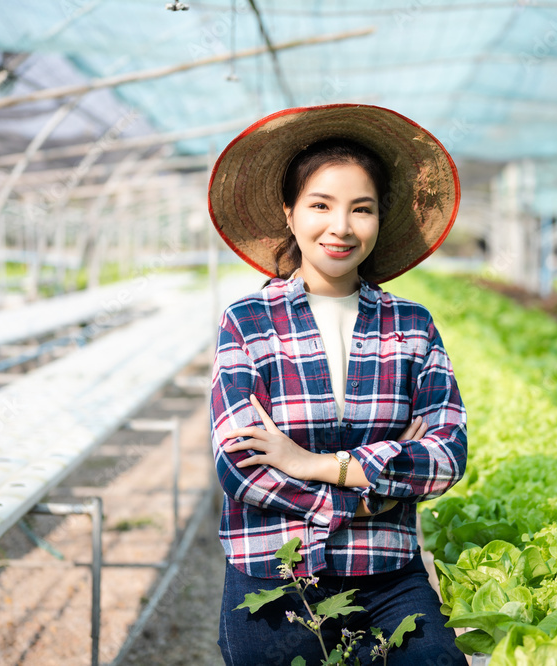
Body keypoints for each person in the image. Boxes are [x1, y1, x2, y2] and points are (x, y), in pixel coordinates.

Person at [207, 104, 468, 665]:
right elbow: (239, 468)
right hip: (277, 577)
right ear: (290, 211)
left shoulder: (412, 325)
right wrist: (373, 492)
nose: (341, 227)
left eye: (361, 209)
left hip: (386, 576)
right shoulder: (248, 322)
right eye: (320, 205)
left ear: (380, 218)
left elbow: (447, 457)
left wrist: (310, 463)